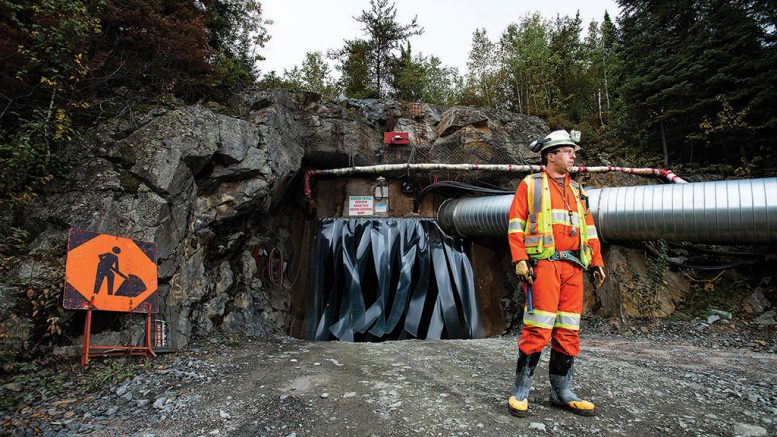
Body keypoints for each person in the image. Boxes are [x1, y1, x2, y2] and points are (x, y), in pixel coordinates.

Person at [506, 130, 606, 417]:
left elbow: (590, 230)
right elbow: (515, 225)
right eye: (567, 151)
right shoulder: (531, 186)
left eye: (573, 151)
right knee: (538, 327)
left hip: (574, 268)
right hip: (545, 266)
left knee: (568, 330)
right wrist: (519, 259)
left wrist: (596, 261)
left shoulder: (577, 191)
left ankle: (562, 392)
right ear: (551, 156)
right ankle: (521, 391)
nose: (573, 155)